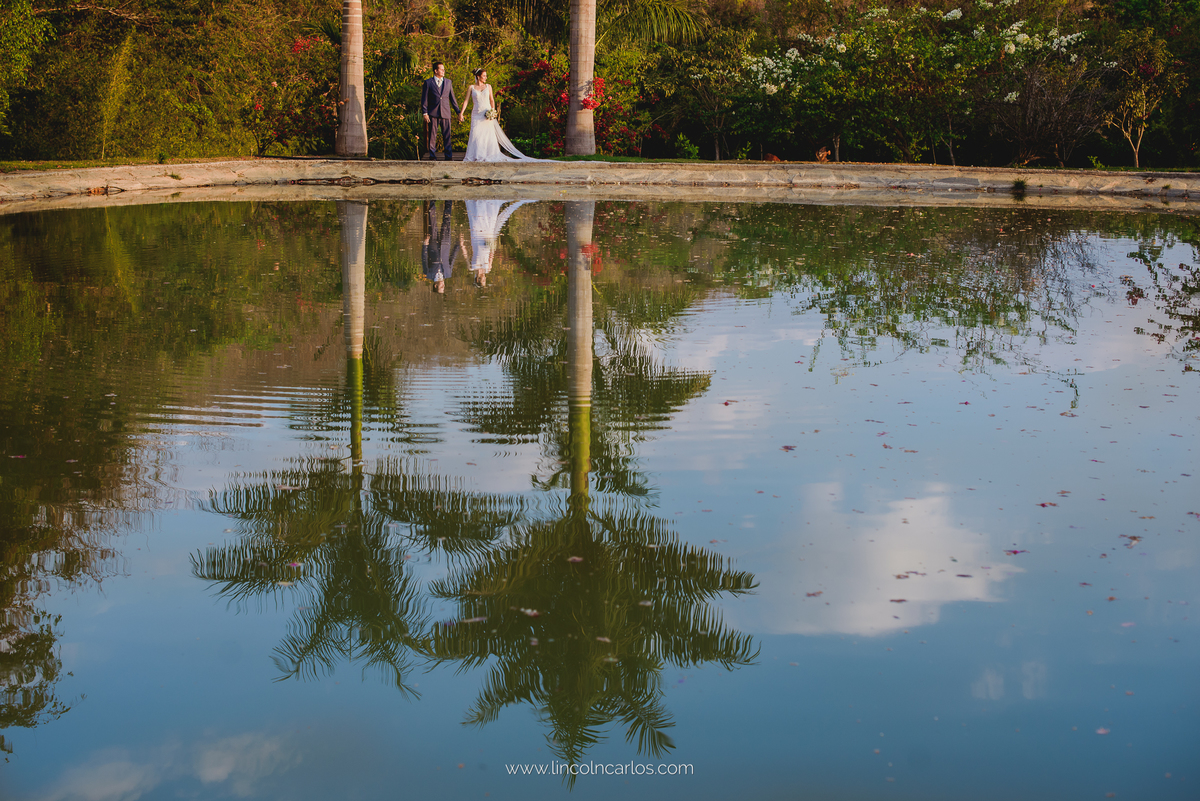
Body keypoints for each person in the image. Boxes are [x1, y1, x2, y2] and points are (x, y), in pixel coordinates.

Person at [459, 68, 551, 162]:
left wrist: (492, 111)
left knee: (486, 135)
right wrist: (461, 113)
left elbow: (491, 100)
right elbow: (466, 101)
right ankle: (475, 155)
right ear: (478, 77)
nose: (486, 77)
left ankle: (487, 154)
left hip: (486, 113)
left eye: (486, 75)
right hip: (476, 114)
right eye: (484, 76)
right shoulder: (471, 87)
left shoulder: (488, 86)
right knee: (476, 135)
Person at [464, 199, 536, 286]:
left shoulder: (472, 267)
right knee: (488, 223)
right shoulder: (488, 269)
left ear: (478, 279)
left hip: (476, 240)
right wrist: (492, 244)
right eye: (484, 280)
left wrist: (462, 243)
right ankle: (485, 205)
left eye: (483, 280)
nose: (485, 278)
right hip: (487, 242)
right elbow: (491, 255)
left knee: (477, 222)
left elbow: (466, 255)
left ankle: (478, 204)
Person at [423, 200, 466, 293]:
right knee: (447, 221)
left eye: (441, 287)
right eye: (443, 287)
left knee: (432, 223)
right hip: (446, 245)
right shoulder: (448, 274)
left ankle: (432, 201)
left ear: (435, 285)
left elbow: (424, 259)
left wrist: (425, 245)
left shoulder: (428, 274)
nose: (443, 285)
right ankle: (448, 201)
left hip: (433, 246)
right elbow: (453, 257)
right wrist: (458, 243)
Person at [421, 62, 460, 161]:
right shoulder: (428, 82)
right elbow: (424, 99)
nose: (444, 71)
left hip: (446, 112)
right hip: (433, 113)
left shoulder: (448, 82)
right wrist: (425, 113)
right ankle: (432, 156)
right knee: (432, 136)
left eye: (444, 69)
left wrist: (458, 112)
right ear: (436, 71)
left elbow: (453, 99)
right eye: (441, 69)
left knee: (447, 135)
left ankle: (448, 156)